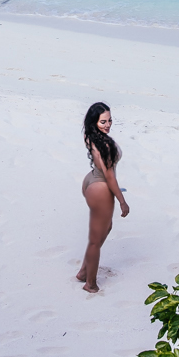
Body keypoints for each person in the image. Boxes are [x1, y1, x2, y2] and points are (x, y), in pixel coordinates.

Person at [77, 101, 129, 293]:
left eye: (109, 120)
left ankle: (84, 271)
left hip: (90, 180)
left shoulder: (90, 136)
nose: (108, 125)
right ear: (94, 123)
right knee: (95, 239)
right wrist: (122, 201)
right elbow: (109, 176)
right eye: (103, 122)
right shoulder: (105, 145)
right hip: (100, 187)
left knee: (105, 229)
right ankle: (89, 283)